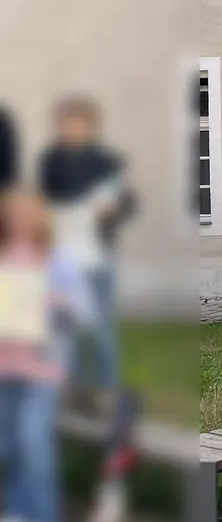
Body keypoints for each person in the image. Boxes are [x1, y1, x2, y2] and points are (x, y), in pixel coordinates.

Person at [0, 188, 89, 522]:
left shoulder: (57, 259)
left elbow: (83, 314)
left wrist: (58, 303)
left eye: (27, 215)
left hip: (43, 367)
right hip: (6, 367)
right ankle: (18, 511)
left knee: (34, 440)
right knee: (9, 443)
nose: (20, 222)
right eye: (13, 215)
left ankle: (44, 520)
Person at [39, 95, 136, 393]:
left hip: (96, 258)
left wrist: (111, 211)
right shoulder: (52, 161)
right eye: (63, 122)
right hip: (62, 258)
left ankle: (108, 389)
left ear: (89, 125)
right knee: (65, 327)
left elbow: (128, 203)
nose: (68, 128)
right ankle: (76, 389)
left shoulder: (106, 162)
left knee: (101, 328)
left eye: (75, 122)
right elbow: (44, 201)